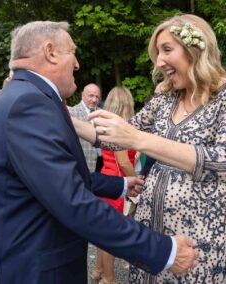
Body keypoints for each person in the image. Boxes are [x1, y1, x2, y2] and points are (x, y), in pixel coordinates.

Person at [0, 21, 199, 284]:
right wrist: (165, 251)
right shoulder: (28, 102)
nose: (77, 63)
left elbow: (55, 179)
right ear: (50, 52)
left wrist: (121, 184)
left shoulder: (25, 95)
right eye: (73, 52)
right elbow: (72, 201)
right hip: (28, 269)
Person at [77, 14, 226, 283]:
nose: (159, 61)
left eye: (167, 50)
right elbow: (116, 137)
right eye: (158, 53)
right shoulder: (166, 97)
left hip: (199, 228)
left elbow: (224, 162)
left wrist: (139, 139)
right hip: (151, 224)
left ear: (196, 48)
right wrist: (65, 119)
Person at [91, 86, 137, 284]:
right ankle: (109, 279)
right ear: (127, 103)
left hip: (106, 180)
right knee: (111, 236)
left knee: (103, 232)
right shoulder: (121, 127)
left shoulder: (106, 124)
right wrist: (137, 183)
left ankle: (98, 271)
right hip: (119, 184)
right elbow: (124, 162)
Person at [69, 83, 101, 173]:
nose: (94, 100)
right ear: (82, 95)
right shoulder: (71, 113)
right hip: (83, 166)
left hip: (103, 166)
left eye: (97, 97)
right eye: (91, 96)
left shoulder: (102, 113)